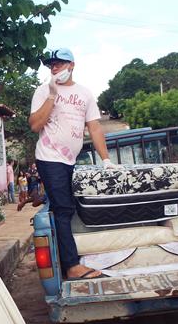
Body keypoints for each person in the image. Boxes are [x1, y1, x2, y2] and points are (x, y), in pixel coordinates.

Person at [28, 48, 118, 280]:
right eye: (51, 65)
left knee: (72, 207)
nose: (55, 68)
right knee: (63, 208)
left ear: (72, 65)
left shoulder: (85, 93)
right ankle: (71, 265)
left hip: (70, 161)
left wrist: (106, 160)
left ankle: (72, 258)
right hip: (49, 158)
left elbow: (95, 127)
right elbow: (35, 125)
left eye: (59, 63)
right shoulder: (42, 91)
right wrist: (51, 95)